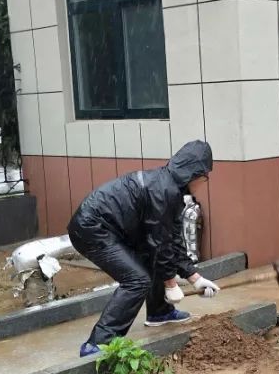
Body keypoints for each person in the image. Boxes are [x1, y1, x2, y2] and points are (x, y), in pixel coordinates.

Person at [67, 140, 220, 357]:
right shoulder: (164, 191)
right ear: (195, 174)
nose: (205, 182)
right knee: (137, 280)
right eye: (206, 177)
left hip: (112, 228)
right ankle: (98, 344)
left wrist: (194, 277)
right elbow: (161, 243)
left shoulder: (170, 187)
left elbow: (171, 239)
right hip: (93, 229)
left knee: (151, 256)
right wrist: (170, 283)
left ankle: (160, 312)